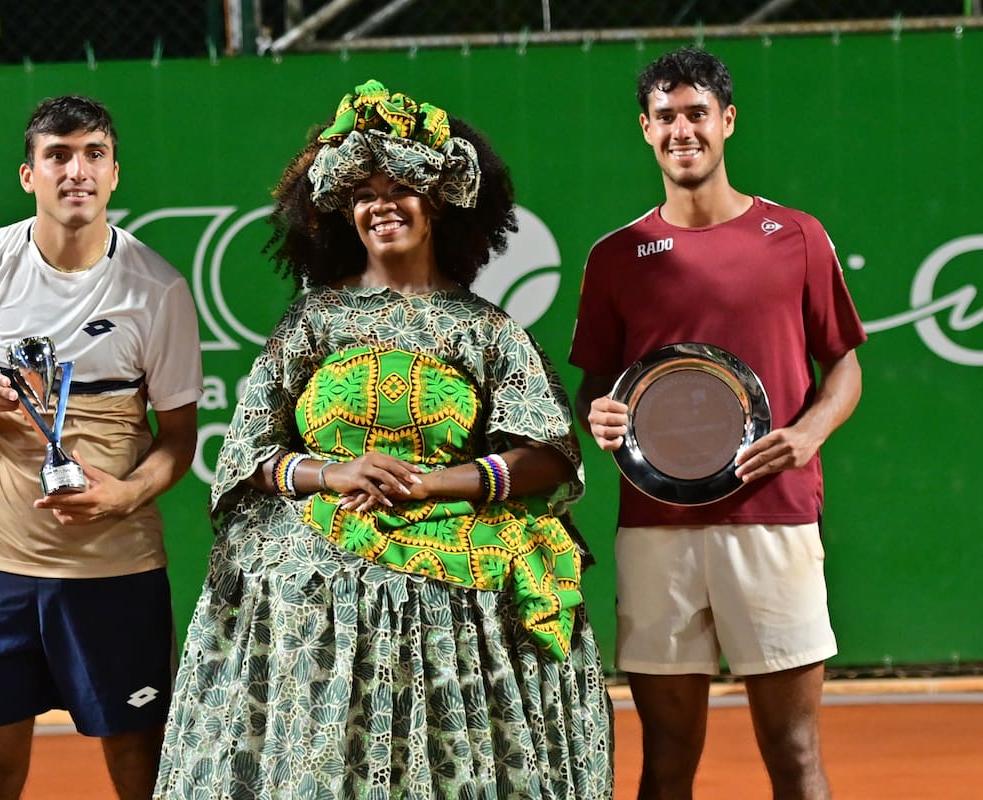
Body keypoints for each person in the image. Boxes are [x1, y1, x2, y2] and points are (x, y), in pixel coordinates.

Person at [154, 79, 613, 799]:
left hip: (450, 517)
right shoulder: (311, 322)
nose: (382, 205)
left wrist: (433, 483)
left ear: (439, 203)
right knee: (284, 574)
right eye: (364, 194)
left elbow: (548, 454)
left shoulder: (485, 329)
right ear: (344, 211)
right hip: (321, 523)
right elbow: (247, 454)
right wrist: (332, 474)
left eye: (401, 188)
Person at [570, 47, 866, 800]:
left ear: (727, 121)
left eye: (696, 113)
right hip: (656, 532)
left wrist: (808, 434)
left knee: (794, 754)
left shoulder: (797, 236)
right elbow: (597, 389)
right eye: (665, 116)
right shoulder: (615, 257)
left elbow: (844, 365)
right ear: (645, 129)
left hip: (774, 523)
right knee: (666, 760)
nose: (683, 130)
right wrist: (599, 415)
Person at [0, 95, 202, 800]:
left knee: (139, 762)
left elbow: (179, 439)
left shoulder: (157, 290)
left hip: (115, 568)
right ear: (28, 175)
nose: (77, 171)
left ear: (115, 173)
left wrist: (124, 495)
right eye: (57, 155)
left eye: (94, 154)